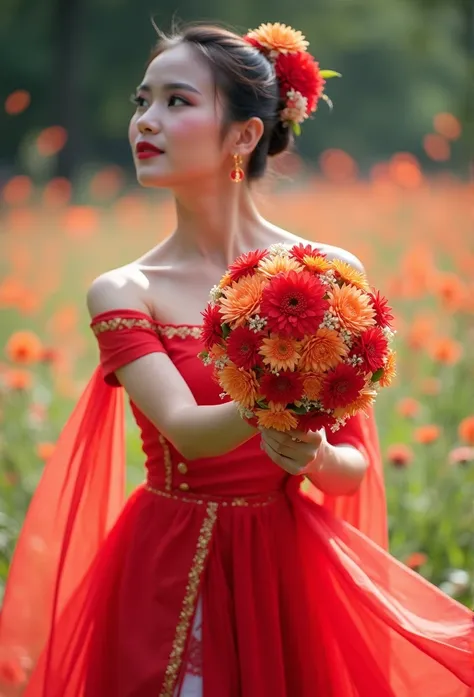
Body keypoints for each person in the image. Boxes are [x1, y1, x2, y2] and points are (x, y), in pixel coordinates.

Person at [0, 21, 472, 697]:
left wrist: (310, 454)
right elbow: (188, 429)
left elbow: (351, 469)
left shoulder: (328, 275)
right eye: (142, 101)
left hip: (287, 567)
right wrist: (283, 381)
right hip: (171, 560)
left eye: (177, 101)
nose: (147, 121)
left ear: (246, 134)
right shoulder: (127, 290)